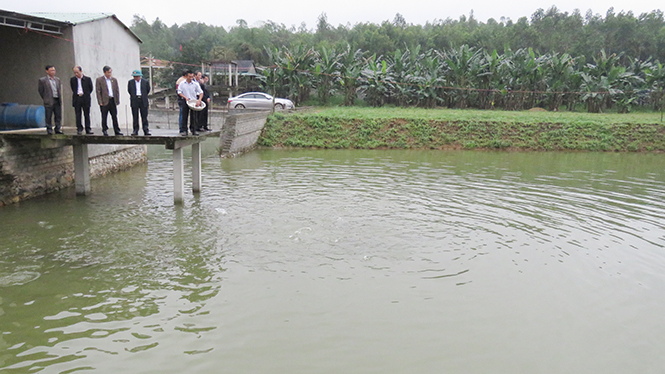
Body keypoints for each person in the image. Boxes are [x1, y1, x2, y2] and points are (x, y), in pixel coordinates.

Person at [95, 66, 123, 136]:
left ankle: (117, 130)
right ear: (104, 72)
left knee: (114, 116)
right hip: (104, 101)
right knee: (104, 116)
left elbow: (117, 90)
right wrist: (100, 101)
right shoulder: (99, 80)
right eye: (108, 72)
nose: (110, 74)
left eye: (110, 72)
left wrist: (117, 100)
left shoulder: (114, 80)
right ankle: (104, 130)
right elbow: (98, 91)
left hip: (112, 100)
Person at [176, 69, 203, 136]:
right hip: (185, 101)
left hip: (193, 101)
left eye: (192, 77)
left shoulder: (195, 84)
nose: (191, 78)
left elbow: (201, 92)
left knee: (194, 116)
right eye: (189, 76)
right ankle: (184, 130)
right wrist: (185, 97)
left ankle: (194, 129)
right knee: (184, 115)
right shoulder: (182, 83)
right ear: (187, 76)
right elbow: (179, 92)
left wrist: (199, 100)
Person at [37, 65, 63, 135]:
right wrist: (45, 98)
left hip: (57, 99)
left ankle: (57, 128)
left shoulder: (57, 80)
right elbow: (41, 90)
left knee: (58, 115)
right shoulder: (42, 80)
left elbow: (59, 89)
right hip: (49, 100)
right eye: (51, 70)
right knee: (48, 115)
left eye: (54, 70)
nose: (53, 72)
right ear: (47, 71)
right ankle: (49, 129)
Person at [70, 66, 94, 135]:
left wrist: (85, 94)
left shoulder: (87, 79)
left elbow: (90, 88)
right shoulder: (73, 80)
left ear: (81, 71)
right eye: (75, 73)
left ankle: (88, 128)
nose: (76, 74)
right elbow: (73, 88)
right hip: (77, 98)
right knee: (78, 114)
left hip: (85, 98)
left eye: (77, 72)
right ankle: (79, 128)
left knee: (86, 114)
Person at [127, 69, 151, 136]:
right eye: (134, 76)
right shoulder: (130, 82)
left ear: (140, 76)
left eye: (137, 76)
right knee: (135, 116)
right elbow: (129, 90)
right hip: (135, 100)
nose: (136, 78)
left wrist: (143, 96)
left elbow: (148, 90)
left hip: (143, 100)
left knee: (144, 116)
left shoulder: (145, 82)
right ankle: (135, 130)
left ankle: (146, 130)